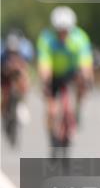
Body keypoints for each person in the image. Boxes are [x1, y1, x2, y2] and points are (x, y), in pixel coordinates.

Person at [36, 7, 93, 143]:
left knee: (83, 82)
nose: (62, 34)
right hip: (54, 73)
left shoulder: (80, 38)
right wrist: (45, 81)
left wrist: (86, 78)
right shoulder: (46, 38)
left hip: (72, 72)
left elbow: (85, 62)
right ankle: (52, 135)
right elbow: (44, 64)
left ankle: (78, 108)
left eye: (66, 31)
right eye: (59, 31)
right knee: (52, 111)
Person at [1, 32, 32, 144]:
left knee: (24, 80)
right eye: (10, 52)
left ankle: (22, 103)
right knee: (4, 95)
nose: (12, 54)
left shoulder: (24, 52)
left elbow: (26, 68)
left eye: (15, 52)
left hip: (18, 74)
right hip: (4, 75)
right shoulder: (2, 54)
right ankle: (3, 112)